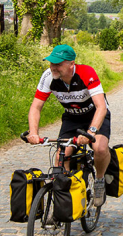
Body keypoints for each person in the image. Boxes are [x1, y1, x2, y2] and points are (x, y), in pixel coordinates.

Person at [27, 44, 110, 206]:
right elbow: (35, 107)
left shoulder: (86, 73)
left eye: (58, 64)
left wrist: (91, 133)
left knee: (99, 148)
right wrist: (33, 132)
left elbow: (101, 107)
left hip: (95, 115)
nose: (53, 68)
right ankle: (65, 195)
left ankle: (99, 181)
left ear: (71, 64)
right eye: (51, 63)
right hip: (72, 118)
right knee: (61, 155)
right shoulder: (48, 77)